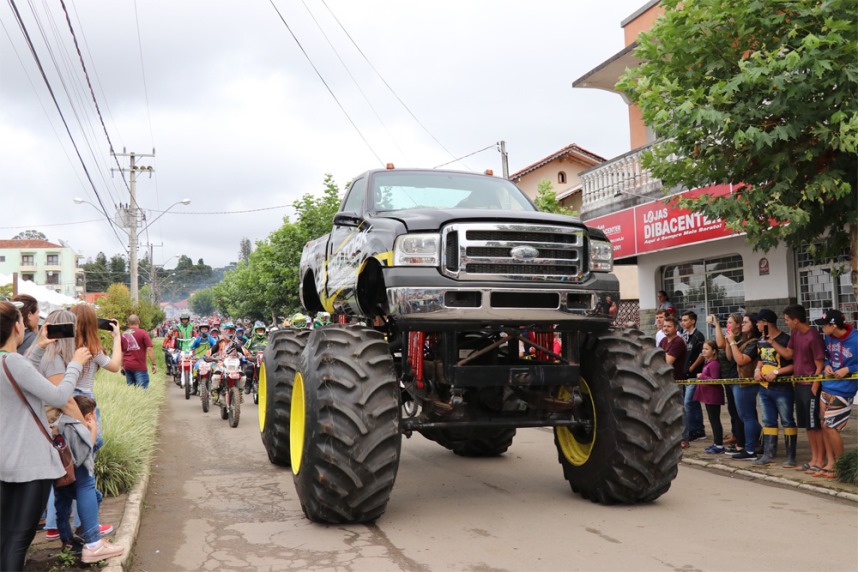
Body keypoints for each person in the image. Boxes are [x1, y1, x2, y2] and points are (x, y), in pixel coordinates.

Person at [0, 300, 91, 572]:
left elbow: (19, 374)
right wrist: (75, 364)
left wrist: (38, 347)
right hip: (30, 464)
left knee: (5, 536)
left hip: (5, 462)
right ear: (17, 326)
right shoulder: (14, 362)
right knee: (19, 539)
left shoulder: (9, 362)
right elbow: (59, 396)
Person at [54, 395, 125, 563]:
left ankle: (67, 540)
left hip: (60, 476)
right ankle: (87, 536)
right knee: (94, 495)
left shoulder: (60, 423)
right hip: (75, 475)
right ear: (88, 416)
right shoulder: (76, 427)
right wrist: (92, 431)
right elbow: (84, 454)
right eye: (94, 414)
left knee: (61, 506)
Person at [768, 305, 825, 470]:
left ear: (795, 320)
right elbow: (788, 354)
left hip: (810, 385)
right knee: (807, 425)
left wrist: (815, 385)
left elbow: (819, 364)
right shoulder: (795, 334)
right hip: (799, 385)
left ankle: (820, 460)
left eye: (787, 320)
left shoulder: (813, 336)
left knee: (815, 425)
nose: (786, 323)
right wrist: (772, 342)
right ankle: (813, 459)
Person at [812, 309, 858, 479]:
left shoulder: (856, 339)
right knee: (824, 424)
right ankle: (830, 463)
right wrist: (827, 366)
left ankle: (841, 464)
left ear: (833, 325)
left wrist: (850, 369)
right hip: (828, 385)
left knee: (831, 427)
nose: (822, 328)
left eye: (824, 325)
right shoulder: (829, 337)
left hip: (845, 389)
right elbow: (829, 357)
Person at [752, 308, 795, 466]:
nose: (756, 324)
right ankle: (768, 453)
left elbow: (792, 364)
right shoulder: (761, 340)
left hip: (782, 387)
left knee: (787, 421)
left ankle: (791, 456)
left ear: (766, 323)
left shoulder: (785, 339)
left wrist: (777, 372)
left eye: (758, 322)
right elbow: (760, 358)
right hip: (764, 387)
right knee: (768, 420)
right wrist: (757, 370)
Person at [726, 313, 761, 460]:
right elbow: (730, 358)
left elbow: (741, 360)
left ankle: (750, 449)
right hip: (737, 381)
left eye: (746, 322)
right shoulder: (743, 340)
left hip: (746, 382)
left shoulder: (754, 342)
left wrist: (733, 342)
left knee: (747, 416)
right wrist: (729, 342)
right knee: (742, 415)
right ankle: (760, 441)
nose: (743, 324)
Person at [709, 313, 744, 453]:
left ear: (738, 324)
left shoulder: (740, 338)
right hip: (728, 377)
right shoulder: (730, 336)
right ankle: (736, 436)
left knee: (740, 411)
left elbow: (720, 345)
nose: (728, 325)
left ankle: (743, 440)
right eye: (727, 322)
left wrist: (717, 325)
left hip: (737, 377)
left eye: (730, 322)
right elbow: (722, 345)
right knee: (732, 410)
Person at [659, 315, 688, 445]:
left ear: (676, 328)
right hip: (664, 381)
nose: (666, 328)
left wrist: (659, 359)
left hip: (676, 381)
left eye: (669, 326)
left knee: (679, 409)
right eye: (664, 326)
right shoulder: (663, 341)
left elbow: (667, 362)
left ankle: (684, 438)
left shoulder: (678, 342)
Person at [680, 311, 706, 444]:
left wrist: (692, 367)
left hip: (694, 375)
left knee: (688, 403)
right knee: (693, 403)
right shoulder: (684, 336)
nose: (682, 322)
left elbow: (702, 354)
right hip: (684, 376)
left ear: (692, 321)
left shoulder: (698, 336)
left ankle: (691, 430)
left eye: (685, 320)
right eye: (682, 320)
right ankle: (699, 430)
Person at [695, 340, 725, 453]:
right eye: (703, 348)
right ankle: (716, 442)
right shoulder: (707, 362)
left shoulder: (714, 364)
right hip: (707, 395)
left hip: (713, 396)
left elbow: (715, 380)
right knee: (712, 419)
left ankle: (719, 444)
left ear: (714, 351)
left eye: (707, 349)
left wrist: (702, 376)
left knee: (715, 419)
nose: (704, 351)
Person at [121, 315, 156, 389]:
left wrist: (122, 366)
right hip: (140, 367)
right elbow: (149, 349)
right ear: (138, 322)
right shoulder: (143, 333)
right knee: (142, 392)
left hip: (128, 366)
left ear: (128, 323)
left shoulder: (123, 334)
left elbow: (122, 352)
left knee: (131, 391)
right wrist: (154, 364)